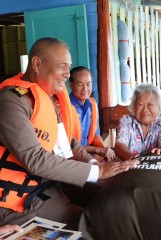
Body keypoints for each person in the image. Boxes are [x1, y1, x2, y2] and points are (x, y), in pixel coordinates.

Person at [0, 37, 139, 230]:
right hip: (21, 202)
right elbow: (35, 159)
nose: (67, 74)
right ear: (37, 64)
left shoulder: (46, 97)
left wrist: (95, 164)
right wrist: (99, 172)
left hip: (50, 185)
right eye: (62, 66)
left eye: (69, 67)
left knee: (115, 198)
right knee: (99, 226)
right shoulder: (11, 101)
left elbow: (68, 143)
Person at [115, 83, 161, 161]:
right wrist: (131, 158)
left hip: (153, 167)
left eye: (150, 105)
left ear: (158, 107)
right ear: (133, 107)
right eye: (140, 104)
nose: (145, 109)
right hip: (128, 166)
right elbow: (120, 145)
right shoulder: (125, 121)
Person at [69, 66, 115, 161]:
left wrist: (103, 150)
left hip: (88, 153)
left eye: (88, 84)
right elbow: (68, 146)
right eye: (80, 84)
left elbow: (96, 135)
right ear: (71, 85)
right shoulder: (64, 107)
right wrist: (97, 150)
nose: (85, 89)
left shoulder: (92, 105)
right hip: (71, 158)